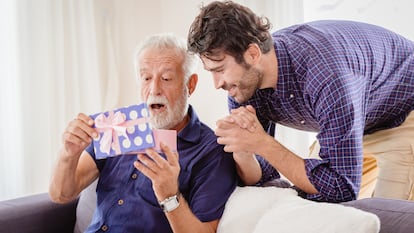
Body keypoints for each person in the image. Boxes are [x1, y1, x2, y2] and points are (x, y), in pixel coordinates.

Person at [187, 0, 414, 203]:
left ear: (253, 54)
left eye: (220, 70)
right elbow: (263, 174)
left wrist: (263, 143)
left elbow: (342, 187)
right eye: (211, 72)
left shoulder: (325, 76)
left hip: (404, 114)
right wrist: (244, 150)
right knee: (312, 207)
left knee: (384, 217)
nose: (217, 84)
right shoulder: (244, 86)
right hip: (356, 120)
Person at [49, 33, 238, 233]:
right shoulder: (118, 127)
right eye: (146, 78)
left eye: (166, 78)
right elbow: (60, 195)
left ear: (190, 85)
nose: (154, 89)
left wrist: (169, 195)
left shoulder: (211, 151)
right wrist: (68, 154)